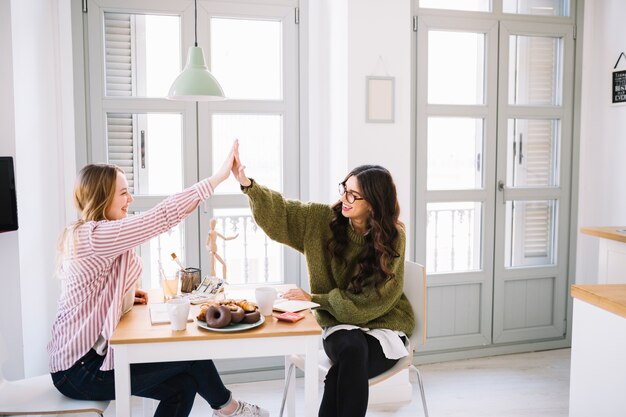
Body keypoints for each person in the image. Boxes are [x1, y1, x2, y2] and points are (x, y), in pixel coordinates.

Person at [47, 142, 268, 417]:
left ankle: (227, 409)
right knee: (192, 356)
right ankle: (230, 410)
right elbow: (162, 216)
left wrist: (124, 298)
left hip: (83, 362)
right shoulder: (95, 236)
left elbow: (99, 290)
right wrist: (218, 178)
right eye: (124, 193)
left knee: (182, 386)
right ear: (103, 198)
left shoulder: (95, 235)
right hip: (79, 370)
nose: (131, 200)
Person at [231, 140, 414, 417]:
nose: (344, 199)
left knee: (343, 369)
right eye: (344, 189)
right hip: (339, 324)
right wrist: (248, 185)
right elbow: (282, 213)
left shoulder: (393, 237)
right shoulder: (321, 220)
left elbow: (378, 300)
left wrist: (316, 299)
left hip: (384, 327)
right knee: (352, 349)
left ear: (374, 205)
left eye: (354, 195)